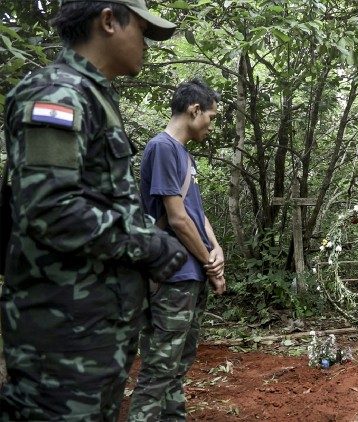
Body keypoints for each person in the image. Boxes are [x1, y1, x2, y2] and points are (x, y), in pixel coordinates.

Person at [0, 1, 185, 420]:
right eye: (142, 30)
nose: (147, 45)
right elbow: (50, 209)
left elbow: (100, 200)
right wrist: (150, 246)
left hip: (95, 332)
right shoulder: (57, 93)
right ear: (108, 21)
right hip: (62, 337)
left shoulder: (92, 96)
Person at [128, 78, 227, 421]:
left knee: (178, 365)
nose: (211, 126)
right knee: (158, 370)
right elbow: (177, 218)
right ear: (194, 110)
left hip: (190, 272)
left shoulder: (182, 153)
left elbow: (196, 211)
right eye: (211, 117)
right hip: (172, 275)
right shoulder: (163, 147)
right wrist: (209, 262)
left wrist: (217, 249)